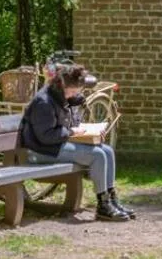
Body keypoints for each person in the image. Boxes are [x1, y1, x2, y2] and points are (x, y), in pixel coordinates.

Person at [20, 63, 134, 222]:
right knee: (97, 155)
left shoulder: (62, 97)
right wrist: (72, 132)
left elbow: (67, 123)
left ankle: (111, 200)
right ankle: (103, 206)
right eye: (72, 91)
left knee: (107, 151)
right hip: (39, 151)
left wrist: (86, 130)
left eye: (76, 92)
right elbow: (45, 136)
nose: (73, 95)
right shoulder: (44, 102)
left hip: (54, 146)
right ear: (62, 85)